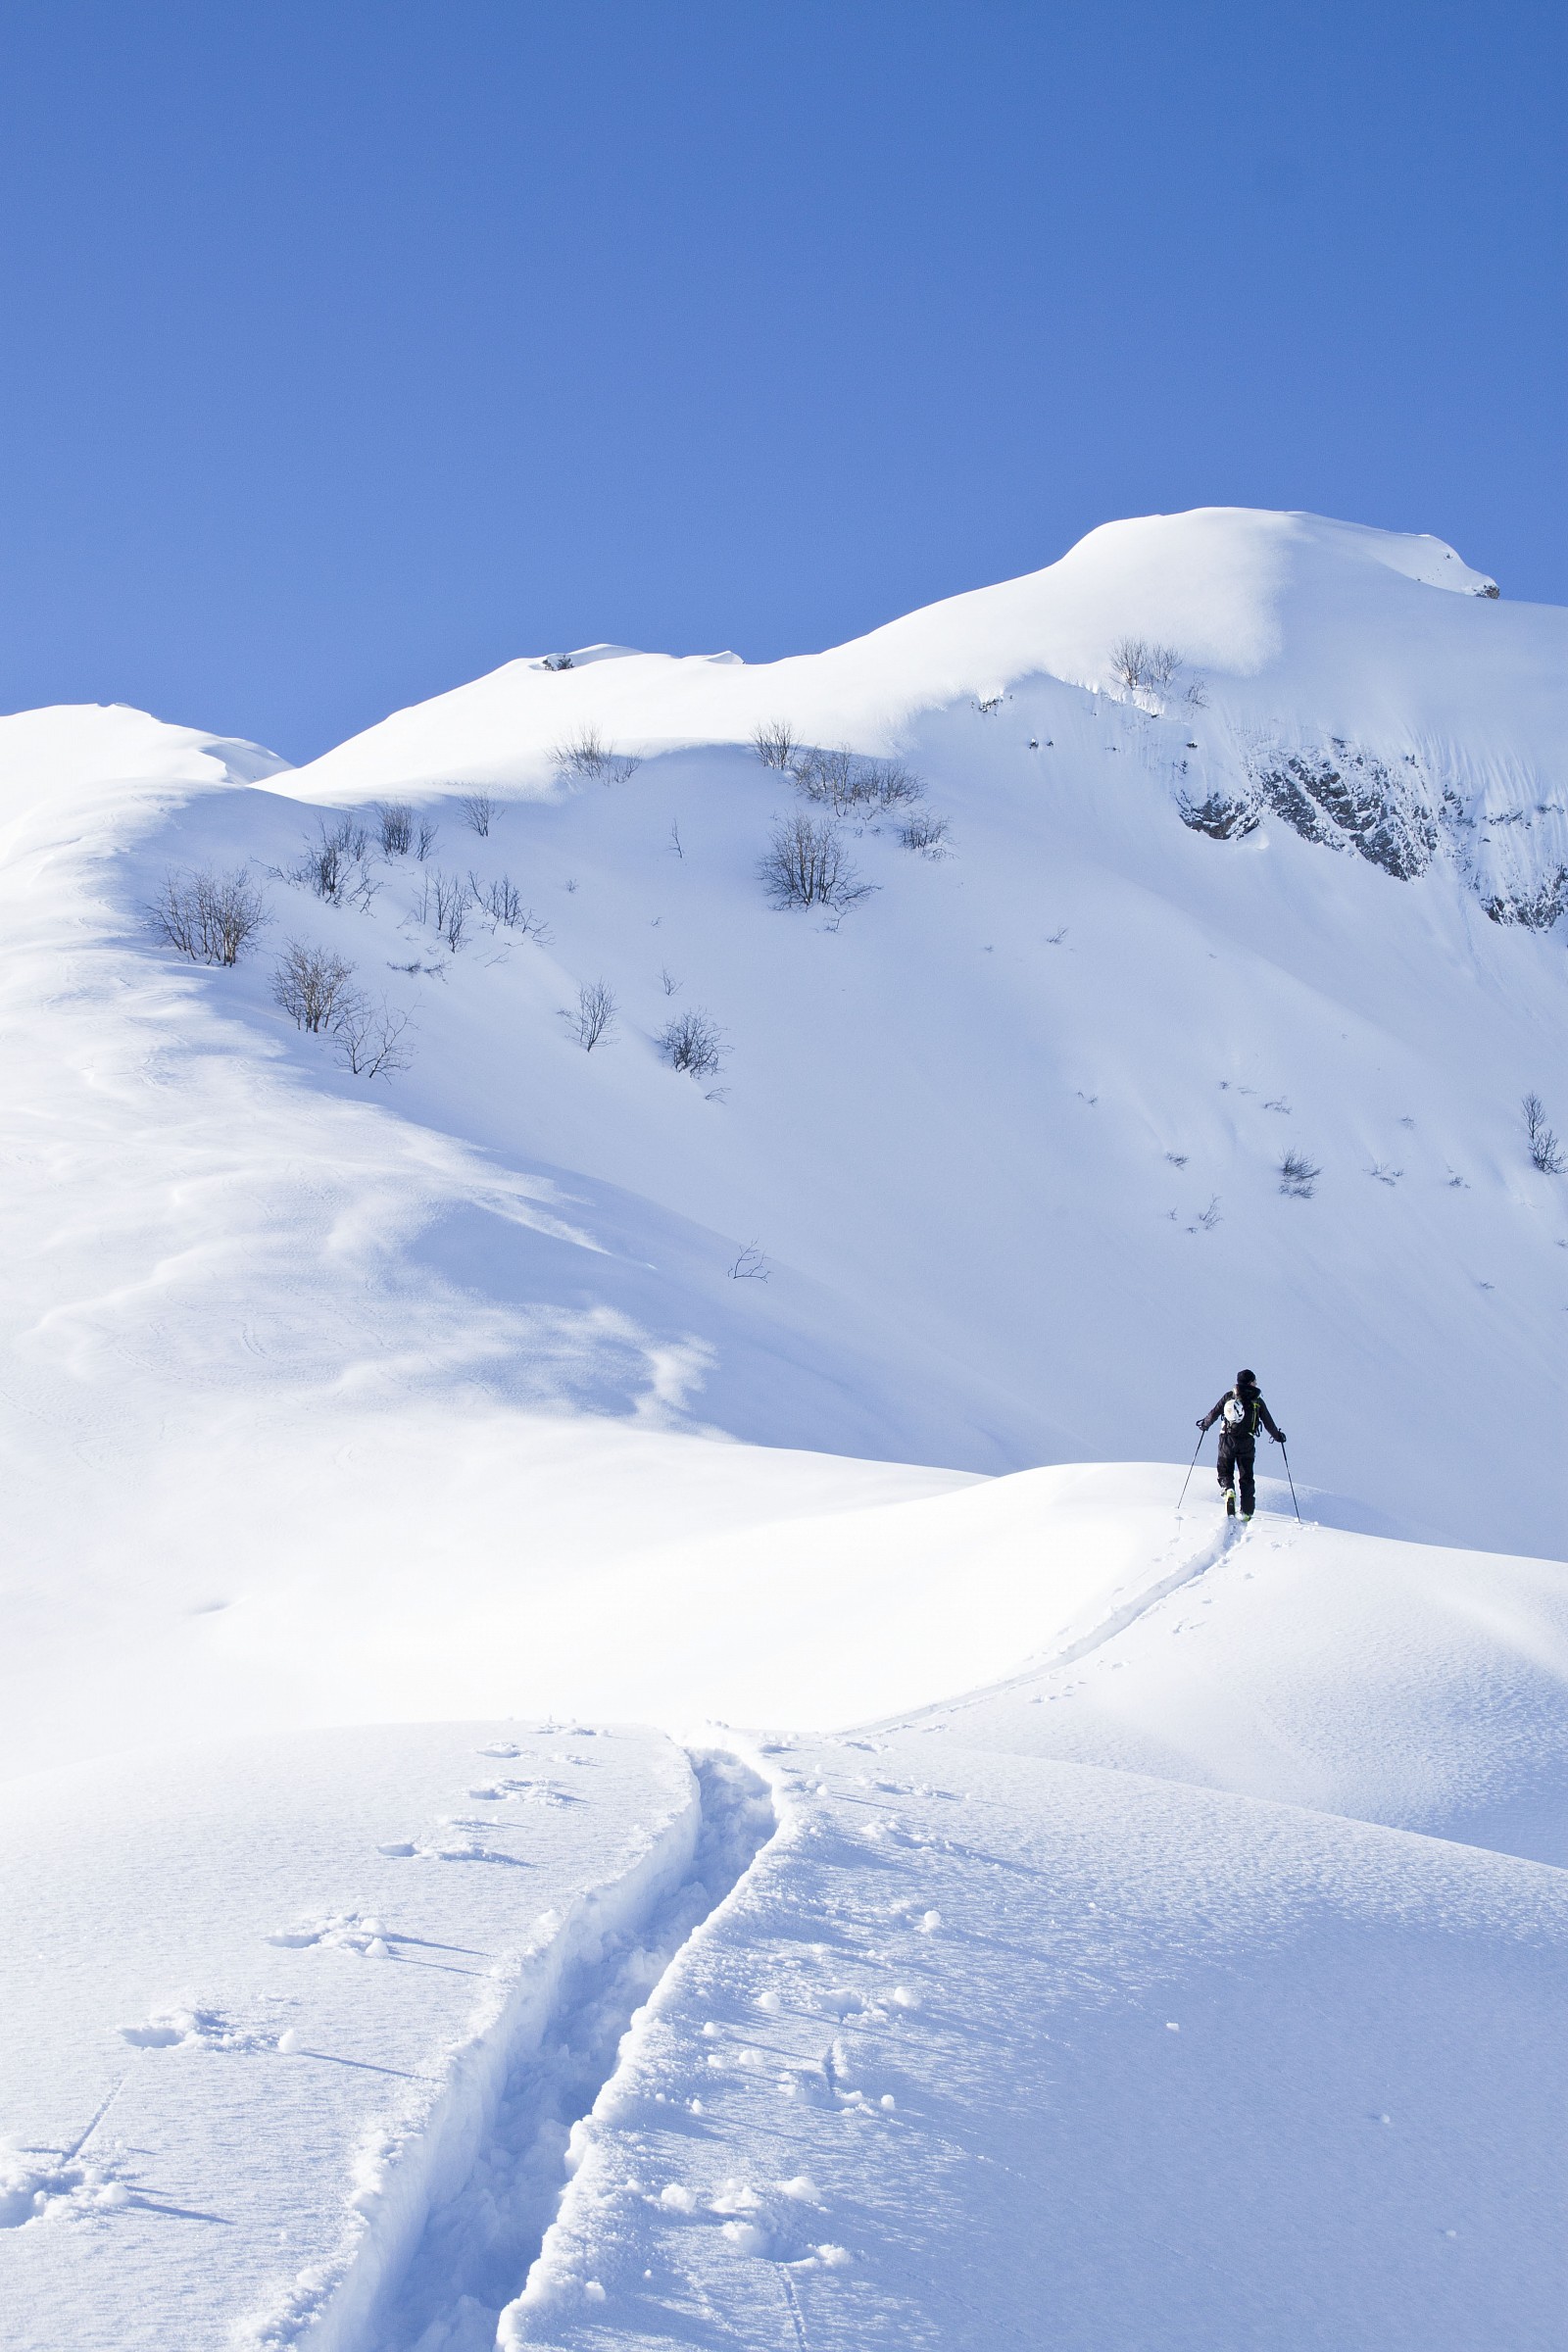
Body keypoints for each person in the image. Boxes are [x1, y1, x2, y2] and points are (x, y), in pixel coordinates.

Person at [1197, 1369, 1287, 1519]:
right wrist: (1278, 1437)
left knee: (1225, 1470)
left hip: (1227, 1439)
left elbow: (1214, 1412)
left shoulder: (1229, 1396)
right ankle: (1247, 1511)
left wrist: (1205, 1425)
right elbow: (1268, 1423)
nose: (1256, 1383)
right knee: (1246, 1476)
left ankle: (1228, 1489)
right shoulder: (1257, 1401)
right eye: (1255, 1381)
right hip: (1247, 1442)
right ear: (1250, 1382)